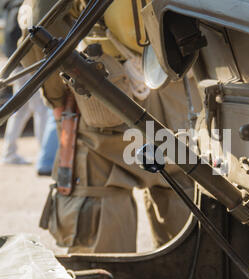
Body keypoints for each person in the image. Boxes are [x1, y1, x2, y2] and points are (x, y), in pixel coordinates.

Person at [20, 0, 201, 253]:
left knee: (100, 236)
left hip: (104, 93)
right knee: (191, 224)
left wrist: (57, 98)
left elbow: (42, 17)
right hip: (181, 88)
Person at [1, 0, 49, 165]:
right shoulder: (25, 5)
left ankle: (10, 152)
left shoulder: (11, 5)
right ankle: (45, 156)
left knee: (21, 109)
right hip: (25, 62)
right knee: (40, 107)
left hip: (15, 62)